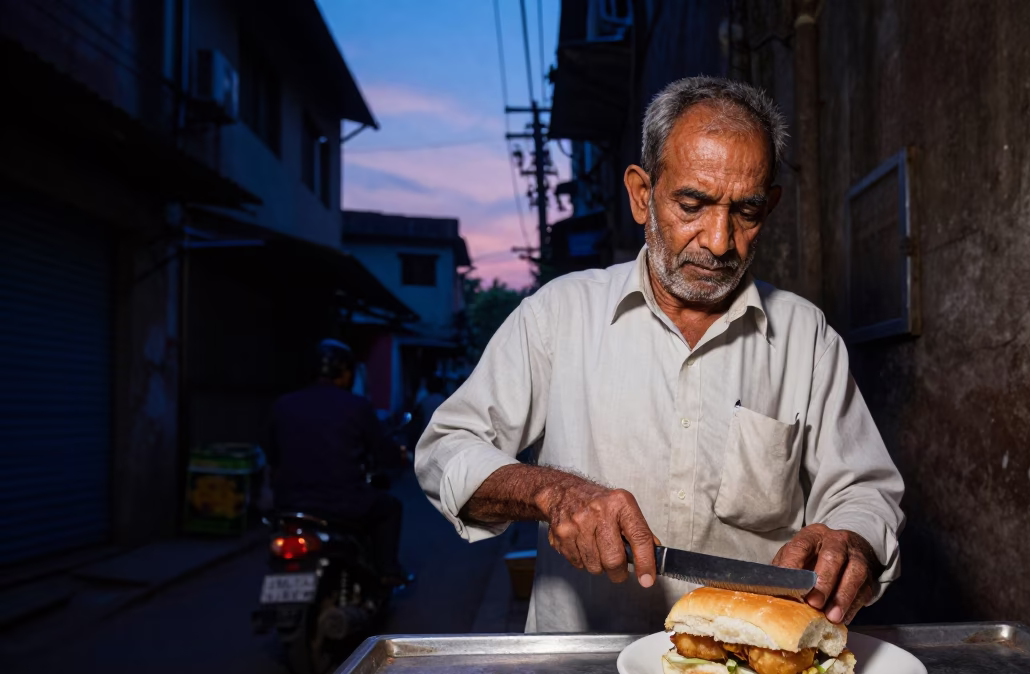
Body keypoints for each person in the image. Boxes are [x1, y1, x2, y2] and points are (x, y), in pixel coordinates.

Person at [414, 77, 904, 633]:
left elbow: (864, 488)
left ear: (770, 205)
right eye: (692, 205)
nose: (719, 241)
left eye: (745, 212)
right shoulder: (559, 314)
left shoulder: (804, 336)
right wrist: (553, 493)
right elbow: (445, 451)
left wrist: (852, 540)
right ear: (642, 194)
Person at [267, 339, 406, 584]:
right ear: (344, 374)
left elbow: (272, 454)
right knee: (390, 508)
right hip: (343, 504)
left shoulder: (283, 404)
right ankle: (387, 571)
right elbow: (384, 452)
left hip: (290, 505)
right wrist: (400, 456)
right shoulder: (357, 406)